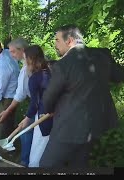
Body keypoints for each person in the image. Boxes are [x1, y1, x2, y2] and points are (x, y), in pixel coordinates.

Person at [40, 24, 124, 167]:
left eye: (57, 40)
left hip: (68, 130)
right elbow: (119, 76)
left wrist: (49, 109)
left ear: (69, 40)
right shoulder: (102, 57)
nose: (55, 44)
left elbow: (48, 99)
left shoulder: (63, 65)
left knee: (47, 165)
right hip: (96, 127)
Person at [0, 37, 32, 167]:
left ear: (22, 50)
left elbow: (20, 95)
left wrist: (7, 111)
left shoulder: (27, 68)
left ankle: (25, 162)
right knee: (26, 130)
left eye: (12, 52)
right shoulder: (29, 62)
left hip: (39, 103)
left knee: (25, 131)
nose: (11, 55)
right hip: (36, 102)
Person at [18, 45, 52, 167]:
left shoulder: (35, 78)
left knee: (36, 158)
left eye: (24, 59)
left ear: (30, 59)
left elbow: (35, 103)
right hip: (59, 117)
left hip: (44, 118)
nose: (24, 62)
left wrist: (27, 118)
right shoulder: (50, 71)